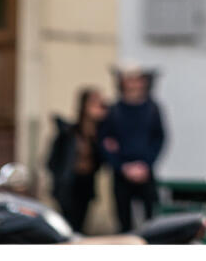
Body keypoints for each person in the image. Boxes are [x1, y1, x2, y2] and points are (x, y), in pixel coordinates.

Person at [98, 64, 166, 233]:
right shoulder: (114, 110)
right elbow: (105, 142)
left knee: (151, 221)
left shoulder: (152, 109)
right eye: (130, 79)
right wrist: (121, 166)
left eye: (138, 79)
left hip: (145, 171)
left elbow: (159, 138)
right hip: (122, 173)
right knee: (123, 222)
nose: (134, 84)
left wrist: (146, 164)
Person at [48, 86, 108, 234]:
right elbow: (51, 161)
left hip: (86, 183)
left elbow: (102, 161)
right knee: (67, 226)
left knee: (80, 226)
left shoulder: (100, 134)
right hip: (68, 184)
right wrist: (58, 180)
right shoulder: (68, 132)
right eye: (94, 102)